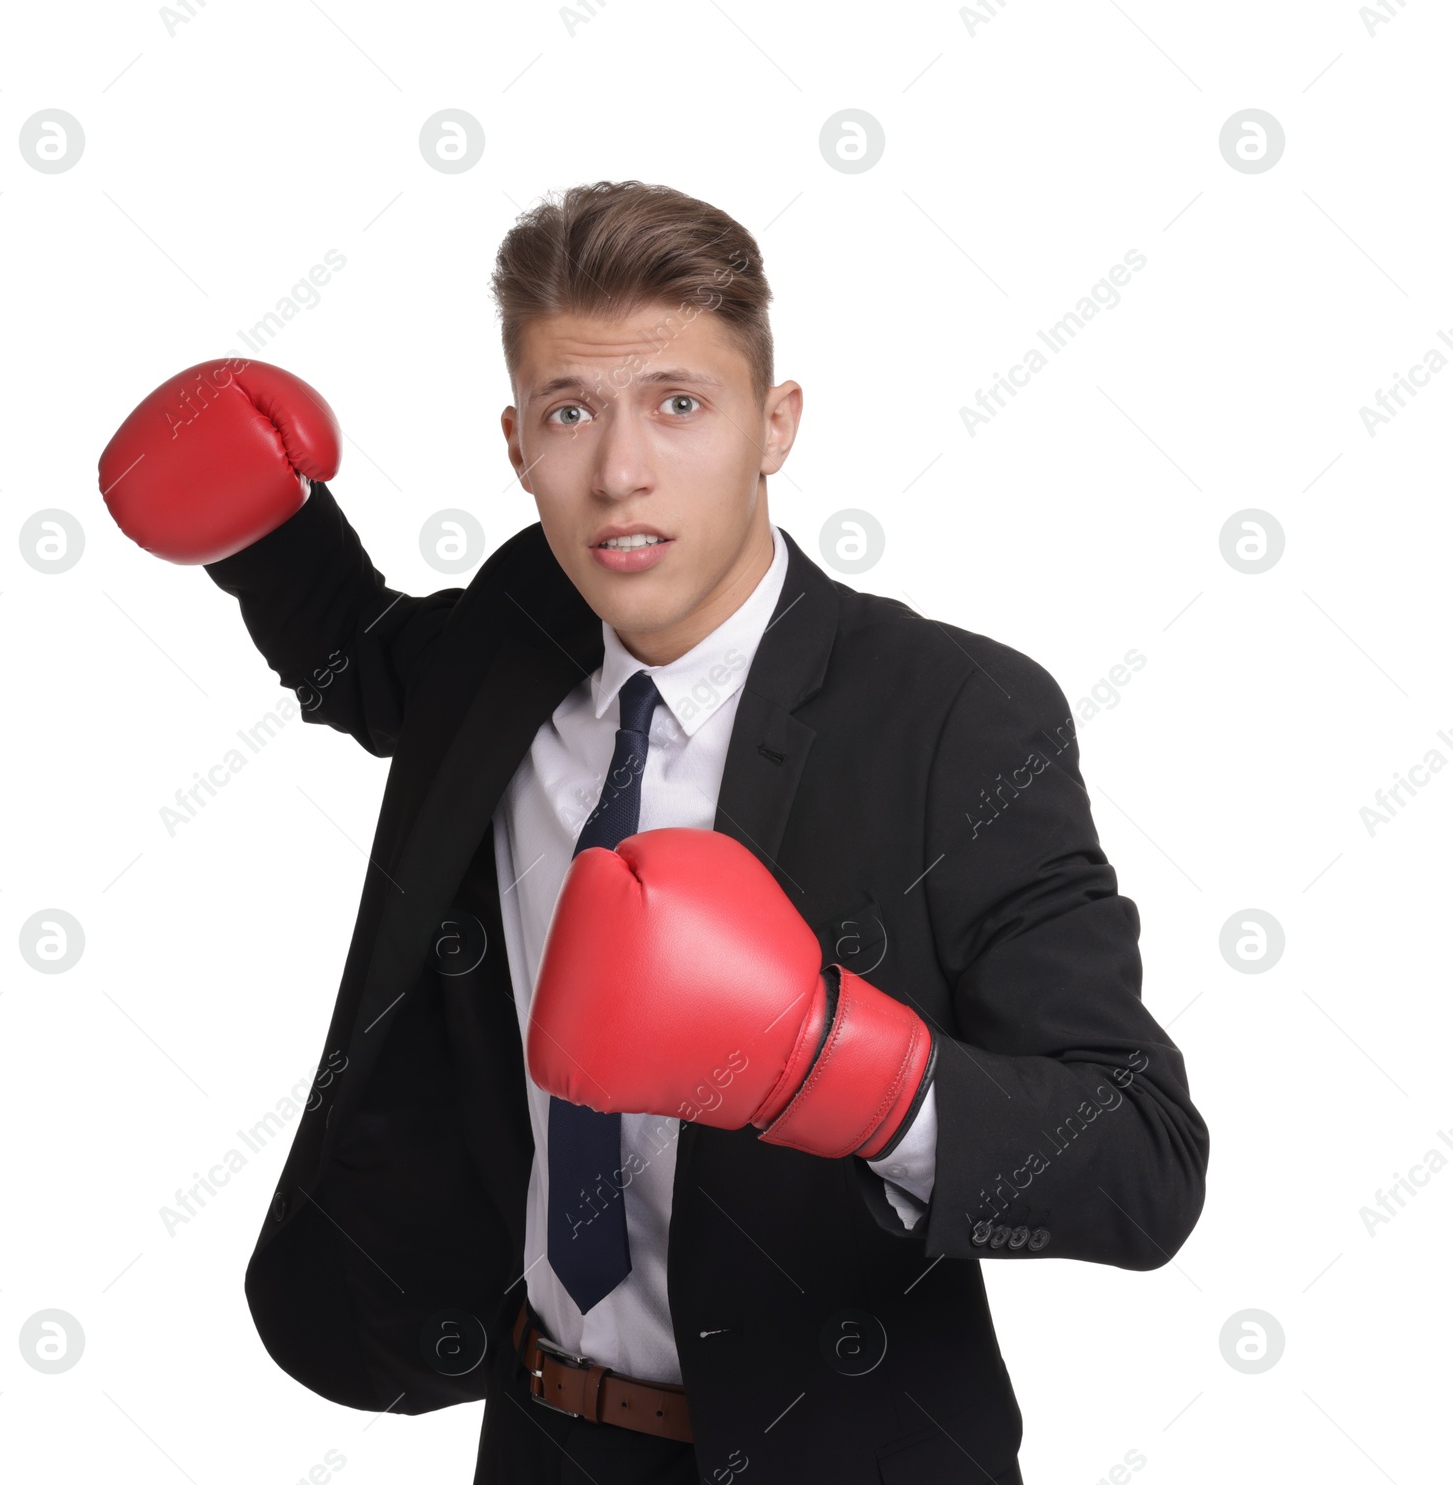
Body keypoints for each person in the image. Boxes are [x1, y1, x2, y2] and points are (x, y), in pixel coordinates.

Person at [97, 180, 1208, 1484]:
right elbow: (378, 667)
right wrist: (269, 530)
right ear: (518, 444)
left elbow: (1139, 1158)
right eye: (573, 413)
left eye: (681, 404)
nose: (622, 471)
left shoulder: (953, 716)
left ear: (774, 425)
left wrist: (835, 1068)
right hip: (544, 1439)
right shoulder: (516, 633)